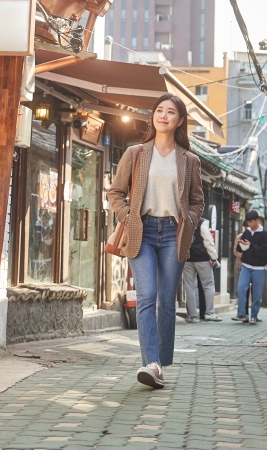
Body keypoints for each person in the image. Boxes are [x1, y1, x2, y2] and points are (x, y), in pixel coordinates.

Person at [107, 93, 204, 389]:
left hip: (173, 234)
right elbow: (116, 193)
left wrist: (189, 220)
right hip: (143, 232)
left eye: (170, 112)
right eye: (159, 111)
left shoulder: (189, 160)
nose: (163, 116)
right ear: (153, 117)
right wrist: (129, 217)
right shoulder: (135, 153)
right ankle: (151, 363)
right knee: (147, 296)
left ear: (180, 120)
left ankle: (160, 363)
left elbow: (198, 201)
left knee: (166, 302)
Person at [232, 210, 267, 324]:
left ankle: (254, 315)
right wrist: (241, 245)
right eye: (248, 222)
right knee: (241, 288)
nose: (249, 224)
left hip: (259, 268)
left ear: (257, 220)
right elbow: (240, 250)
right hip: (246, 265)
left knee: (256, 293)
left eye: (251, 222)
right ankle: (242, 314)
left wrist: (251, 245)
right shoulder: (246, 232)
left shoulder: (265, 235)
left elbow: (263, 252)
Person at [182, 217, 221, 323]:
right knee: (208, 285)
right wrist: (213, 257)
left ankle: (192, 315)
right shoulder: (202, 222)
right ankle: (209, 313)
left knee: (189, 286)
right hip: (202, 258)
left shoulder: (183, 220)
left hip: (187, 259)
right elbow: (208, 241)